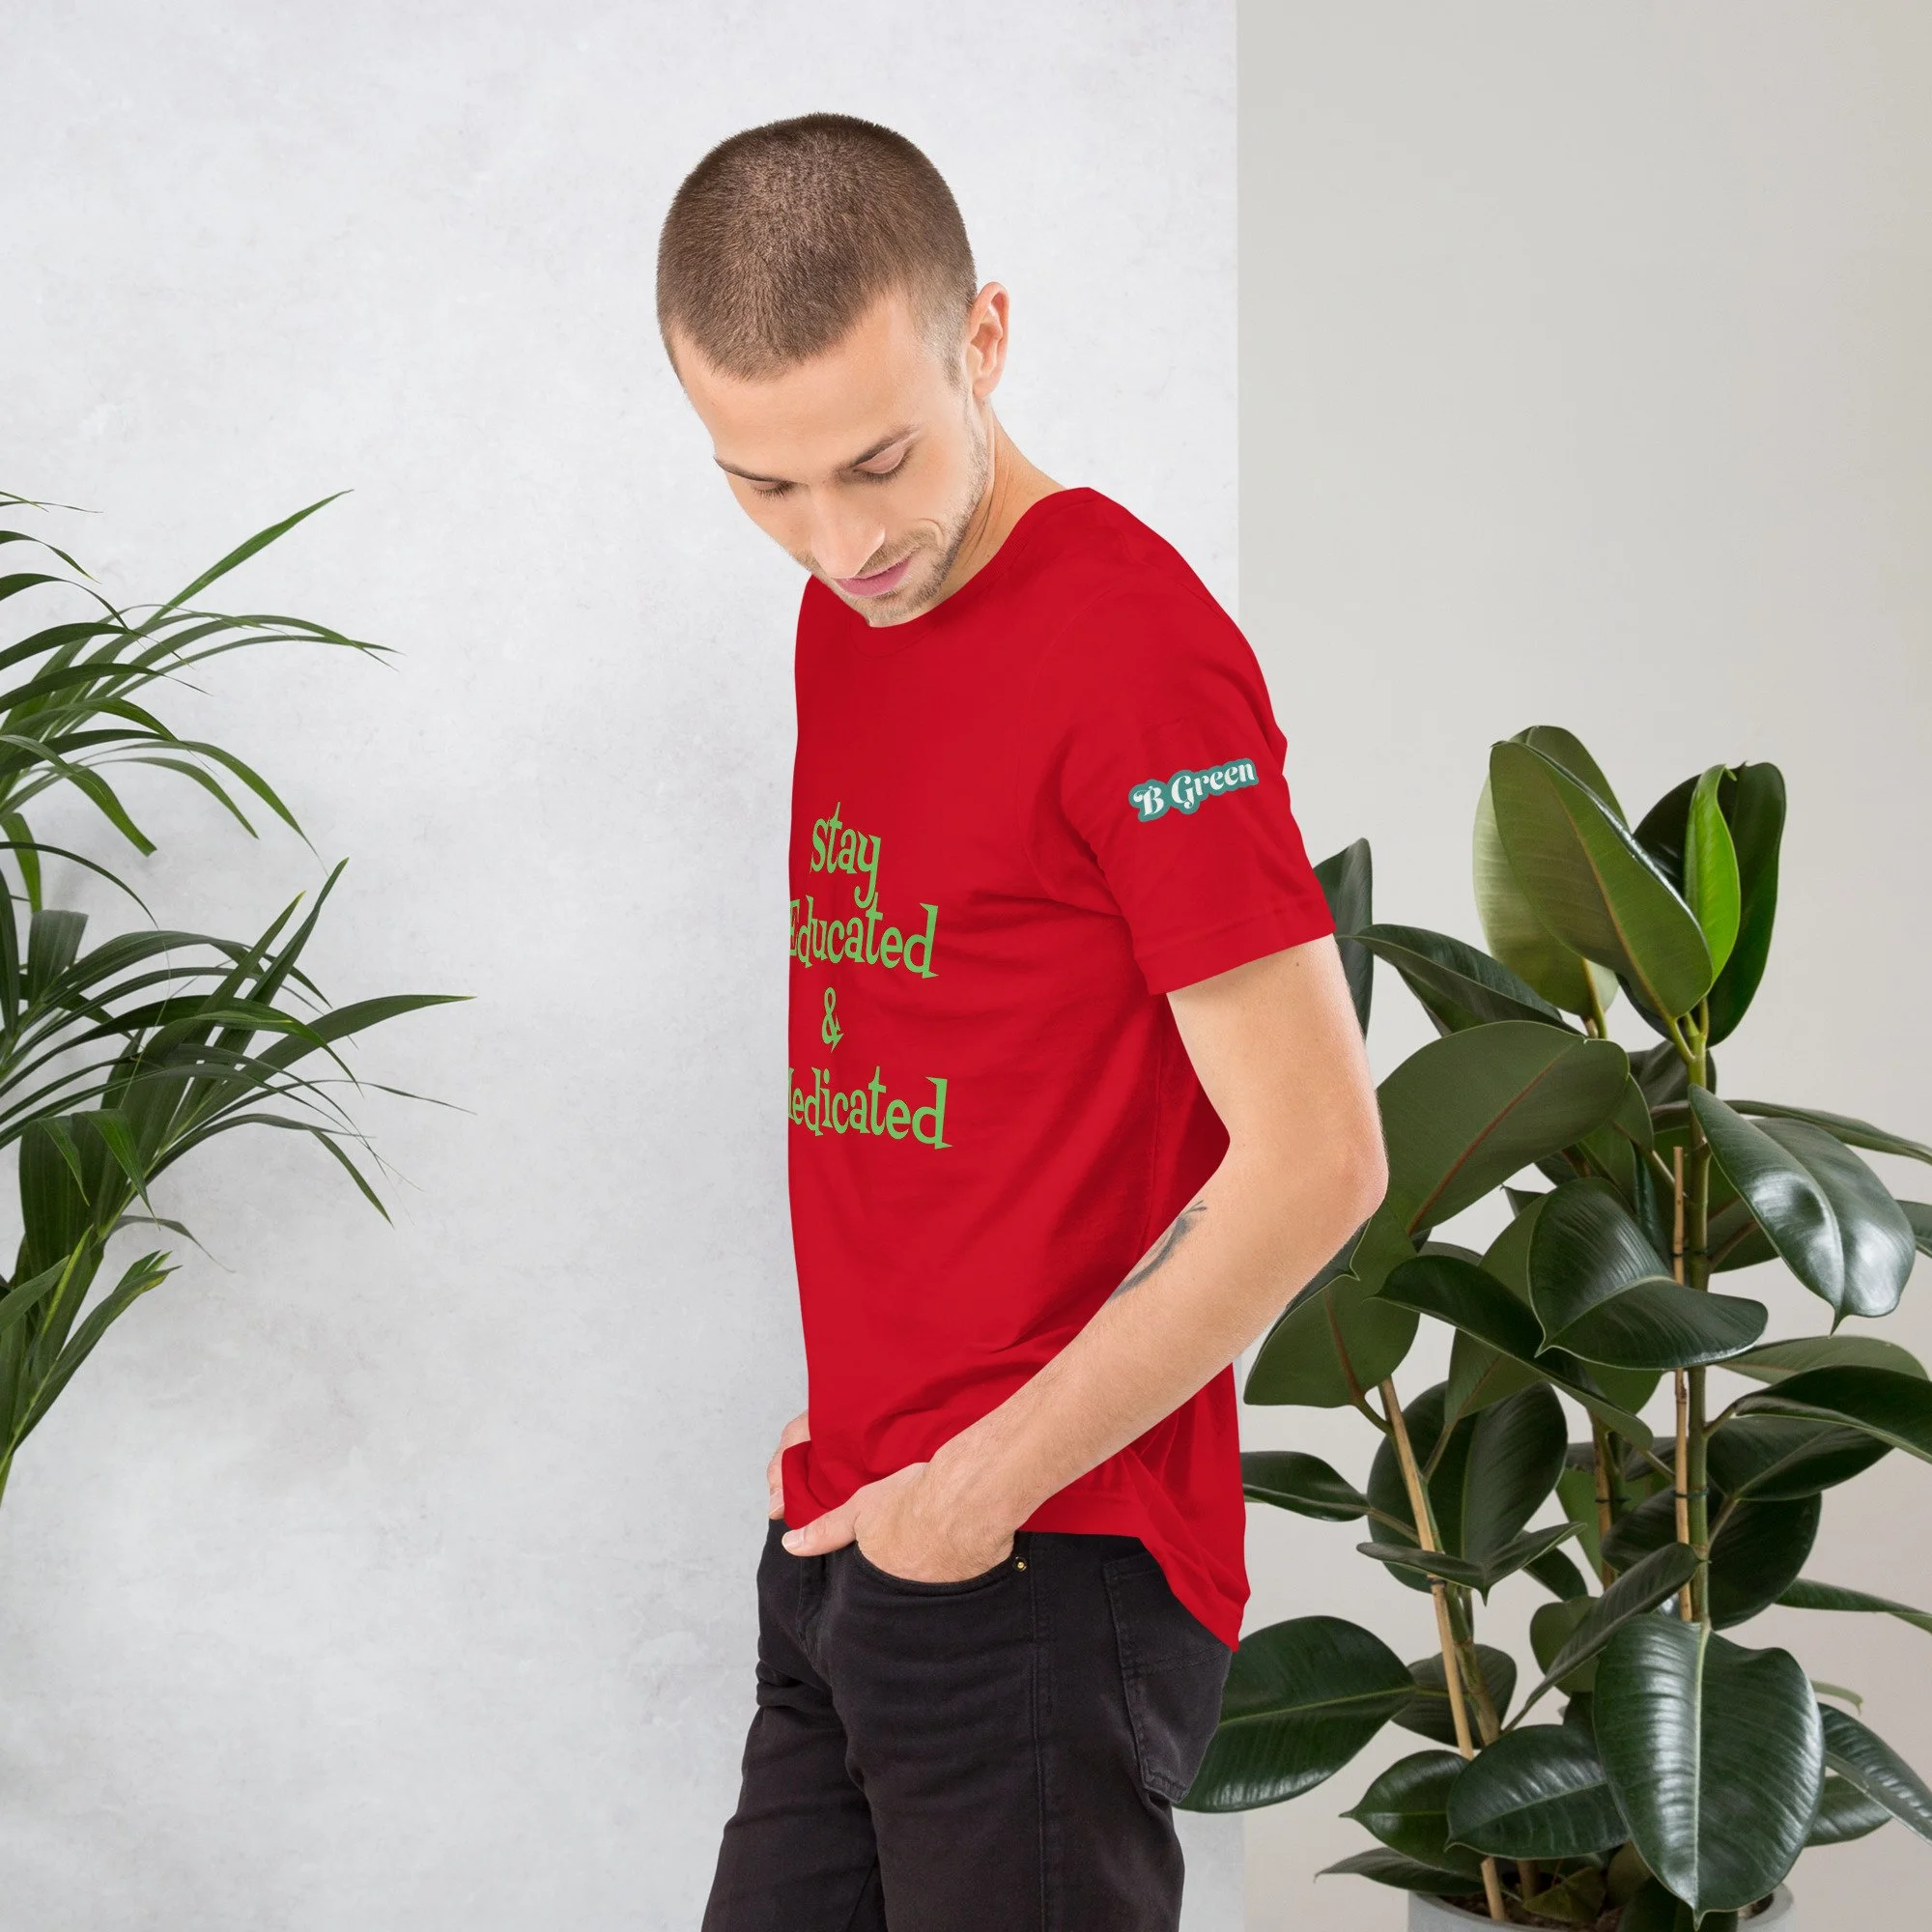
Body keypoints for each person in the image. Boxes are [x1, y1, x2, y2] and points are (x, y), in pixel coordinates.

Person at [657, 113, 1387, 1932]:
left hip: (1044, 1557)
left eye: (878, 461)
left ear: (983, 336)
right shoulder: (851, 614)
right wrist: (877, 1448)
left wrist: (979, 1484)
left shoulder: (1133, 650)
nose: (840, 541)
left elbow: (1319, 1155)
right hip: (857, 1532)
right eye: (765, 485)